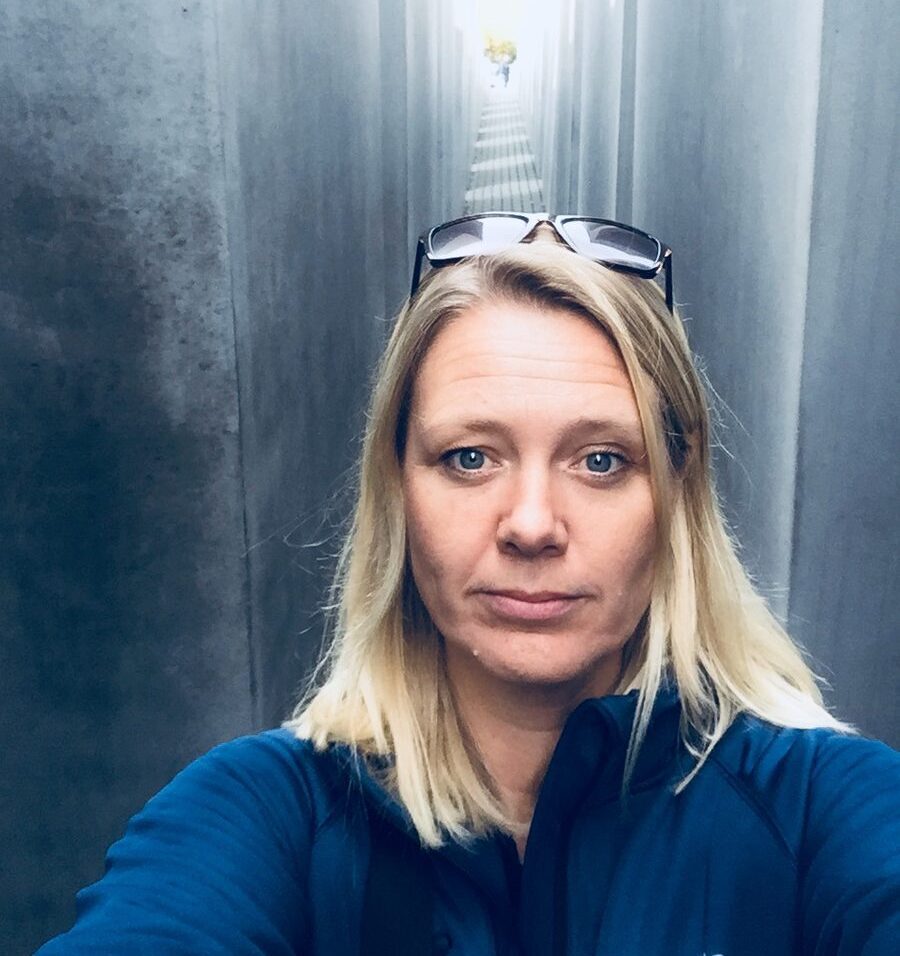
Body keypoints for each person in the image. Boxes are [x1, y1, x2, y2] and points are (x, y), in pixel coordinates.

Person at [37, 214, 899, 954]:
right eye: (470, 457)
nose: (531, 523)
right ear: (398, 488)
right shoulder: (267, 811)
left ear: (678, 493)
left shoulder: (818, 807)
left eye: (602, 460)